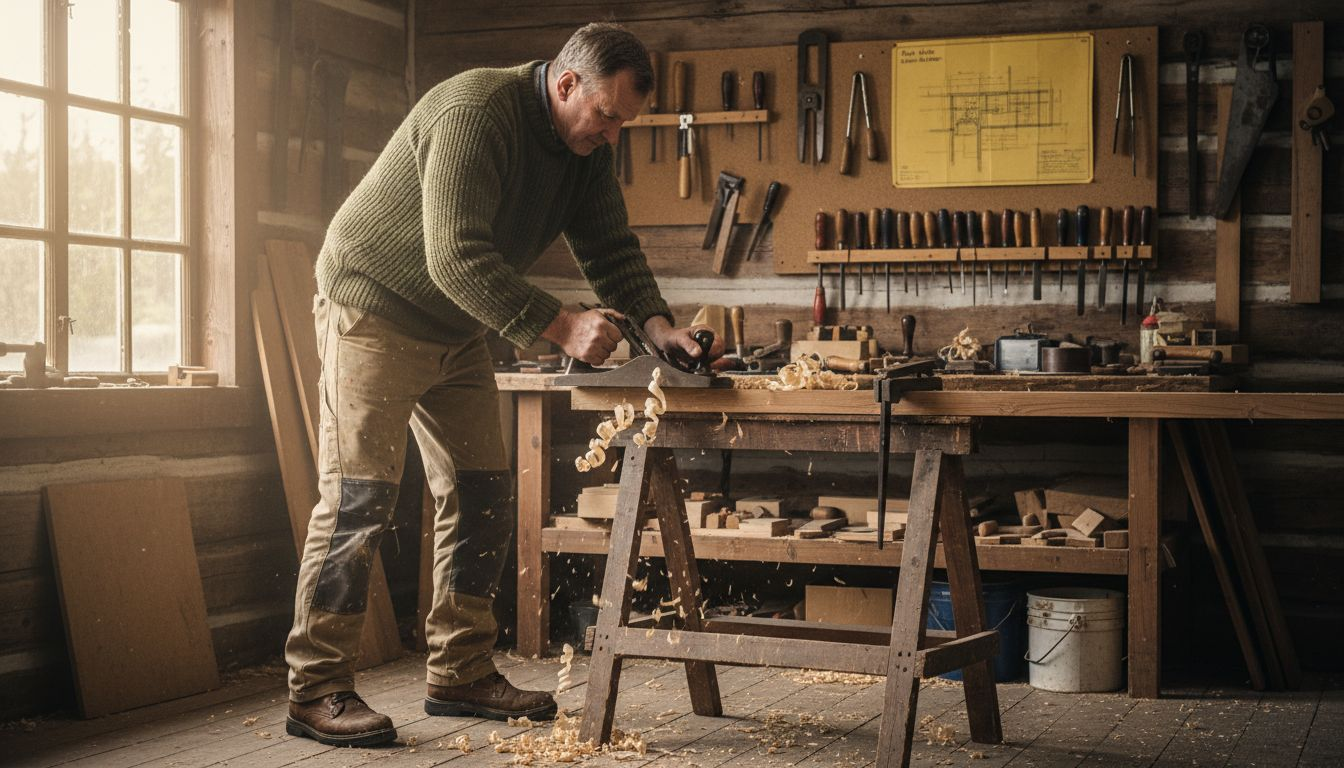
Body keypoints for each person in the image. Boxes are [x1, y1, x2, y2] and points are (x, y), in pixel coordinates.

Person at [282, 22, 717, 747]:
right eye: (606, 115)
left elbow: (610, 245)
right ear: (567, 82)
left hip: (454, 327)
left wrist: (658, 326)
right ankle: (316, 687)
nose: (611, 134)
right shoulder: (476, 112)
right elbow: (453, 254)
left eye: (625, 124)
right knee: (360, 496)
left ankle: (459, 668)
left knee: (484, 489)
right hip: (374, 308)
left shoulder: (583, 149)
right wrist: (562, 325)